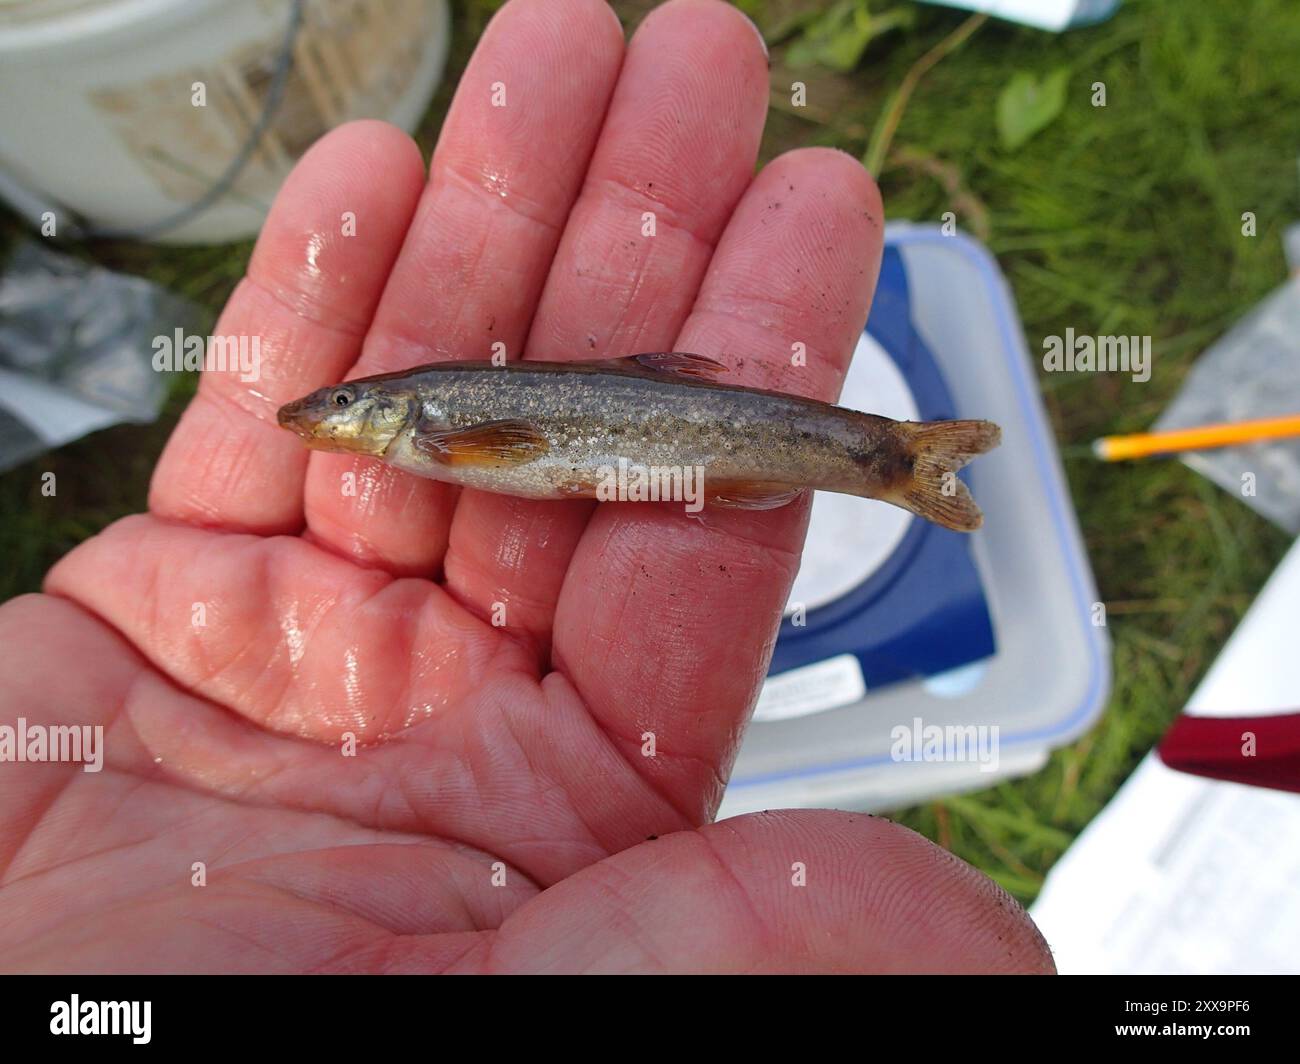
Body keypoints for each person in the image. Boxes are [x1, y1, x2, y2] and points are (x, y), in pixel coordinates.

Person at [0, 0, 1052, 973]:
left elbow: (503, 448)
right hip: (642, 439)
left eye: (339, 411)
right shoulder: (423, 430)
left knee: (763, 445)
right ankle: (893, 460)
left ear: (386, 415)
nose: (321, 425)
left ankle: (894, 459)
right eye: (334, 412)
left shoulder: (431, 425)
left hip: (667, 433)